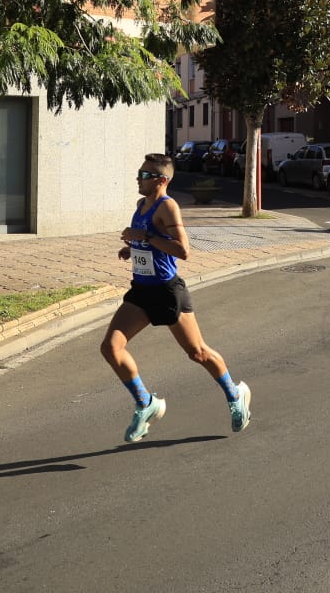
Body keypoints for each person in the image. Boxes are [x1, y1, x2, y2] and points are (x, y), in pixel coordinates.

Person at [100, 153, 251, 442]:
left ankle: (235, 394)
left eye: (144, 175)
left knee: (198, 353)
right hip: (142, 291)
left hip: (168, 292)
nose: (138, 178)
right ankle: (146, 403)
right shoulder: (141, 205)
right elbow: (149, 241)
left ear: (161, 180)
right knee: (110, 347)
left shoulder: (168, 207)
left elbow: (183, 250)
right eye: (139, 172)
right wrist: (133, 249)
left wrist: (142, 237)